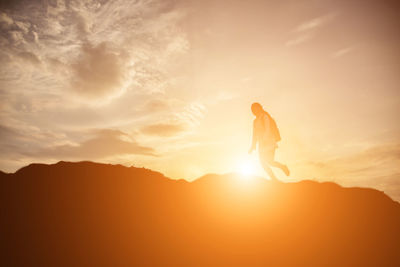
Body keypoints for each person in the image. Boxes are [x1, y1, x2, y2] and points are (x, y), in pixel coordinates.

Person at [248, 102, 290, 181]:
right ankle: (274, 179)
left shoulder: (265, 117)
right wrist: (252, 146)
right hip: (261, 144)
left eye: (254, 109)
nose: (253, 111)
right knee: (263, 163)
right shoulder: (255, 121)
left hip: (269, 142)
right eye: (252, 110)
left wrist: (265, 139)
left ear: (259, 108)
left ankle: (283, 167)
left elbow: (268, 129)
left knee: (269, 161)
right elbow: (254, 134)